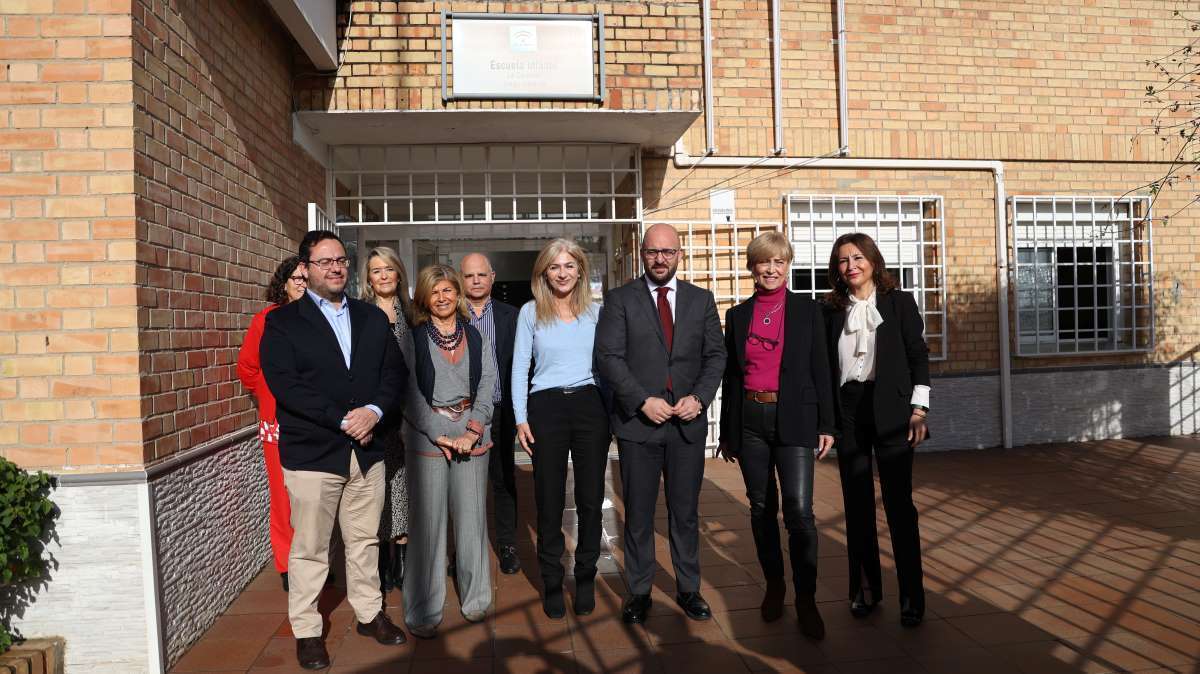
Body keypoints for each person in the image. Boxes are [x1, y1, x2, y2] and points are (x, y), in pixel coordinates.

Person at [261, 231, 409, 670]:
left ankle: (368, 612)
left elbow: (393, 375)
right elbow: (286, 386)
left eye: (341, 260)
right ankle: (307, 630)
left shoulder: (371, 318)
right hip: (313, 452)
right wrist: (343, 418)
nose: (335, 268)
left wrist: (375, 411)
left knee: (365, 539)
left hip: (367, 451)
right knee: (310, 547)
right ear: (305, 267)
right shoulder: (282, 322)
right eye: (325, 261)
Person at [595, 223, 726, 625]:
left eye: (668, 252)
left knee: (685, 514)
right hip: (640, 424)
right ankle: (638, 591)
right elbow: (609, 358)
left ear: (679, 255)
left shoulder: (701, 300)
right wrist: (641, 400)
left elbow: (715, 356)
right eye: (653, 252)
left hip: (687, 424)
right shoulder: (619, 300)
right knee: (637, 512)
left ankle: (689, 588)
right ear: (642, 254)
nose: (660, 259)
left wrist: (700, 398)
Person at [716, 232, 836, 640]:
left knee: (800, 513)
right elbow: (733, 379)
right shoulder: (737, 316)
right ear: (752, 268)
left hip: (795, 419)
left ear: (788, 266)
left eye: (779, 262)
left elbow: (823, 369)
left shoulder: (808, 311)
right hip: (750, 419)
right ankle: (775, 586)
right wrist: (727, 431)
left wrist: (827, 424)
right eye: (763, 262)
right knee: (760, 508)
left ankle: (807, 599)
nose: (771, 269)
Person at [822, 232, 930, 628]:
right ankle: (865, 591)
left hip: (894, 412)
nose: (850, 266)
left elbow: (919, 356)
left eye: (857, 257)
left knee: (900, 507)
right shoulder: (830, 310)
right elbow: (824, 369)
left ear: (873, 261)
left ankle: (911, 598)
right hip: (849, 411)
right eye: (842, 260)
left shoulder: (899, 303)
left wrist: (920, 408)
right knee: (857, 506)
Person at [511, 239, 611, 619]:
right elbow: (520, 367)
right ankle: (552, 581)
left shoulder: (597, 314)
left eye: (569, 265)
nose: (563, 273)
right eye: (555, 267)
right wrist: (521, 417)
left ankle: (585, 576)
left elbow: (608, 366)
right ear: (544, 273)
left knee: (590, 498)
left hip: (590, 406)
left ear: (581, 270)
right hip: (546, 408)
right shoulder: (530, 312)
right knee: (549, 500)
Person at [401, 264, 498, 639]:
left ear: (458, 294)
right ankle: (424, 610)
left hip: (473, 435)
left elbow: (488, 382)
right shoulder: (413, 339)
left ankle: (475, 601)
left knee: (472, 523)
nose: (442, 297)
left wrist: (473, 430)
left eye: (448, 290)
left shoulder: (476, 337)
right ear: (425, 298)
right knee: (427, 527)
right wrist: (441, 432)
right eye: (434, 291)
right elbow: (407, 393)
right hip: (428, 439)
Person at [237, 256, 306, 592]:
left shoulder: (323, 319)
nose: (302, 284)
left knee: (314, 498)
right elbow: (247, 368)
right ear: (283, 282)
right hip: (277, 424)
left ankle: (313, 563)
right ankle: (287, 564)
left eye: (307, 278)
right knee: (283, 498)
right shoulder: (266, 320)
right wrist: (268, 393)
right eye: (296, 278)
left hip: (314, 424)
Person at [459, 253, 522, 576]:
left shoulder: (513, 316)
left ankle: (508, 545)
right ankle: (465, 549)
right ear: (462, 279)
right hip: (464, 413)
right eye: (470, 276)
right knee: (465, 483)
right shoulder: (452, 315)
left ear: (493, 277)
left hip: (502, 411)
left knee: (503, 479)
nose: (476, 281)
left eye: (482, 275)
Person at [360, 246, 414, 593]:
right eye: (376, 270)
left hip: (410, 414)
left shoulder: (412, 315)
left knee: (403, 488)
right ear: (368, 278)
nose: (382, 276)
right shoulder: (360, 315)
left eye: (388, 269)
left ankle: (403, 563)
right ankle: (382, 562)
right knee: (377, 491)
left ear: (398, 274)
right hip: (377, 414)